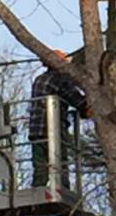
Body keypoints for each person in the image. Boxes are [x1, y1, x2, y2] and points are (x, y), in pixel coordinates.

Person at [28, 49, 90, 187]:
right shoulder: (60, 80)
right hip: (53, 129)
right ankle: (63, 191)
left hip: (36, 131)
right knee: (60, 164)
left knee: (40, 167)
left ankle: (38, 194)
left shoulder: (40, 79)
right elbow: (79, 102)